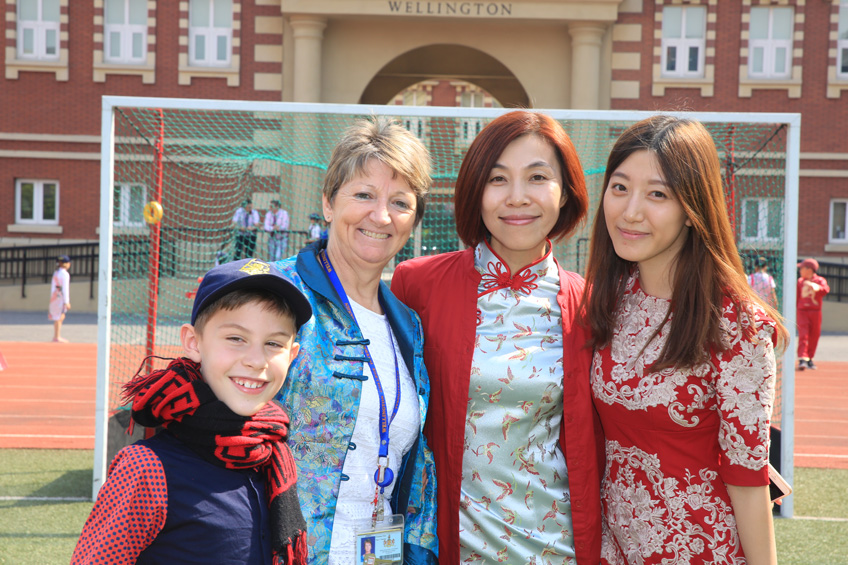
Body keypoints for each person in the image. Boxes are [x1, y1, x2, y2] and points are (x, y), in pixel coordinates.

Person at [392, 110, 604, 563]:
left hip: (554, 545)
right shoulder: (417, 285)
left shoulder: (590, 306)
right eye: (498, 180)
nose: (517, 198)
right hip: (445, 543)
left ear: (564, 192)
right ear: (476, 192)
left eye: (537, 177)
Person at [582, 115, 787, 564]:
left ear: (692, 207)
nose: (630, 211)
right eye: (619, 187)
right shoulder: (609, 302)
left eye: (658, 194)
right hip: (612, 549)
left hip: (700, 550)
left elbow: (747, 477)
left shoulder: (737, 324)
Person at [72, 258, 313, 565]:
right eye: (236, 338)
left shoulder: (274, 455)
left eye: (273, 343)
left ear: (292, 354)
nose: (256, 360)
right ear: (193, 342)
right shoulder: (145, 469)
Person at [274, 116, 437, 564]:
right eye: (363, 194)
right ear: (328, 202)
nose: (380, 216)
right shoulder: (276, 292)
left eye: (399, 202)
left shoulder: (408, 326)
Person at [797, 257, 829, 370]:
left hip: (815, 311)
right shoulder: (800, 281)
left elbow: (825, 290)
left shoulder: (820, 280)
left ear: (809, 269)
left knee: (814, 335)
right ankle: (802, 358)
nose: (800, 271)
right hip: (802, 311)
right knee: (803, 335)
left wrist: (817, 288)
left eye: (802, 268)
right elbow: (797, 297)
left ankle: (810, 358)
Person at [48, 254, 71, 342]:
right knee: (59, 316)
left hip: (54, 296)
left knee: (58, 316)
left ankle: (57, 335)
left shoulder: (56, 273)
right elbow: (65, 288)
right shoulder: (65, 274)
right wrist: (66, 301)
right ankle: (57, 336)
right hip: (60, 297)